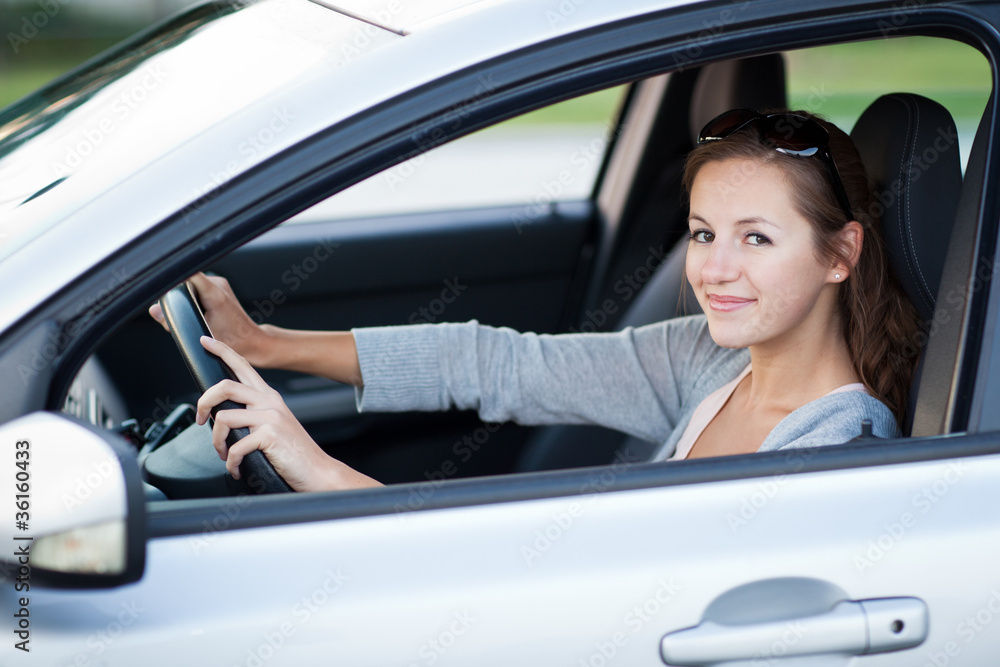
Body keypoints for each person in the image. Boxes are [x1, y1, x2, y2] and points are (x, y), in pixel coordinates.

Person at [149, 108, 921, 493]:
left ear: (839, 253)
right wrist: (264, 342)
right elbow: (498, 362)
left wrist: (325, 474)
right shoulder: (708, 359)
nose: (714, 269)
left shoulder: (833, 456)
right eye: (702, 233)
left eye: (756, 238)